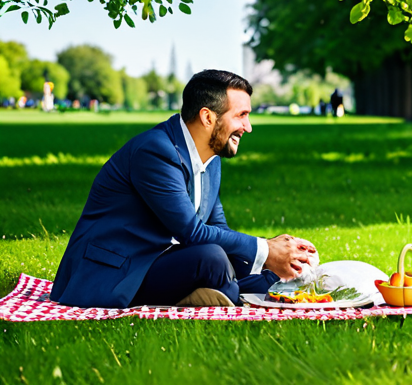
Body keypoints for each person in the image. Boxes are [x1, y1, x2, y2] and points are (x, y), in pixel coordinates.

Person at [51, 70, 311, 308]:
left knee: (249, 266)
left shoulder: (211, 159)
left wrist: (276, 257)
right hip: (115, 272)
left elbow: (217, 228)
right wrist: (265, 249)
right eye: (241, 115)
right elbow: (192, 232)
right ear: (208, 117)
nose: (248, 127)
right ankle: (228, 291)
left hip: (161, 259)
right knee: (212, 258)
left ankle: (241, 288)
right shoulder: (156, 151)